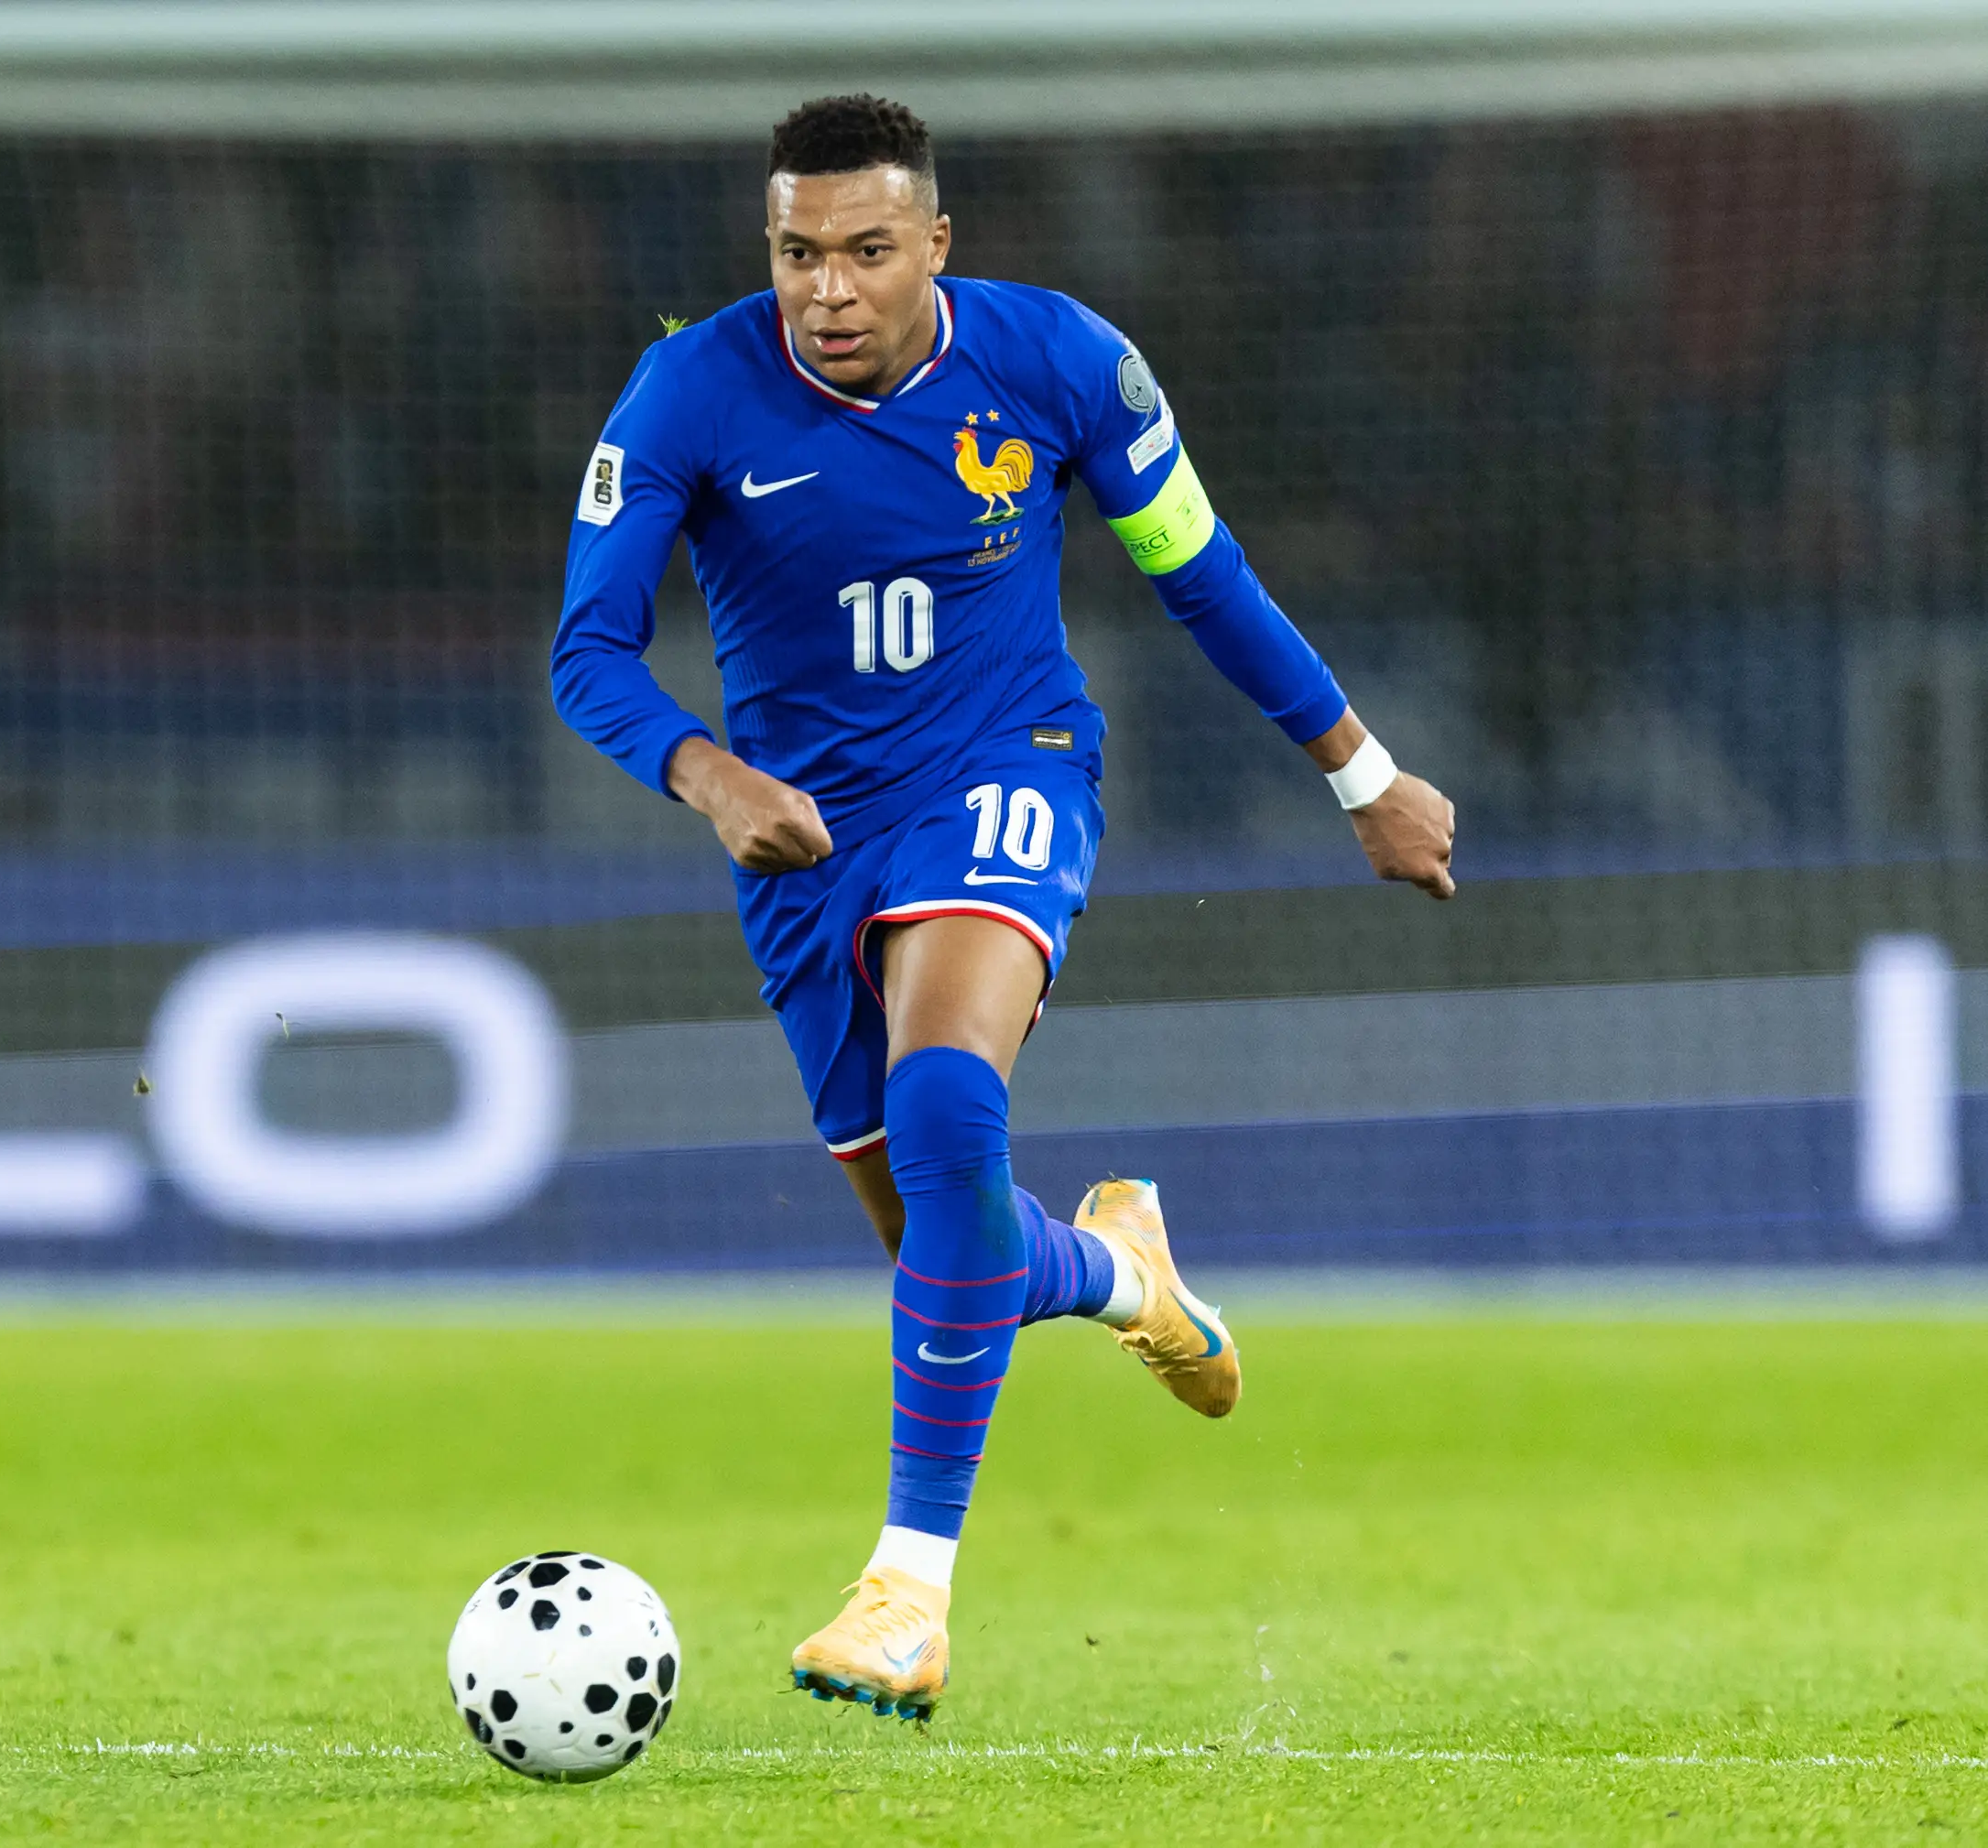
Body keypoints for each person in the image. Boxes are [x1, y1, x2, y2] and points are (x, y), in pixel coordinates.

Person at [549, 95, 1456, 1720]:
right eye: (796, 252)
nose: (827, 288)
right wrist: (709, 776)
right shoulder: (687, 389)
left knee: (949, 1104)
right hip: (801, 842)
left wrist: (1361, 775)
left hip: (1005, 769)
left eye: (866, 251)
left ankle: (906, 1594)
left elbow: (1200, 572)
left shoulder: (1059, 363)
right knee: (941, 1244)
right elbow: (587, 652)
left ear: (936, 247)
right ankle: (1121, 1273)